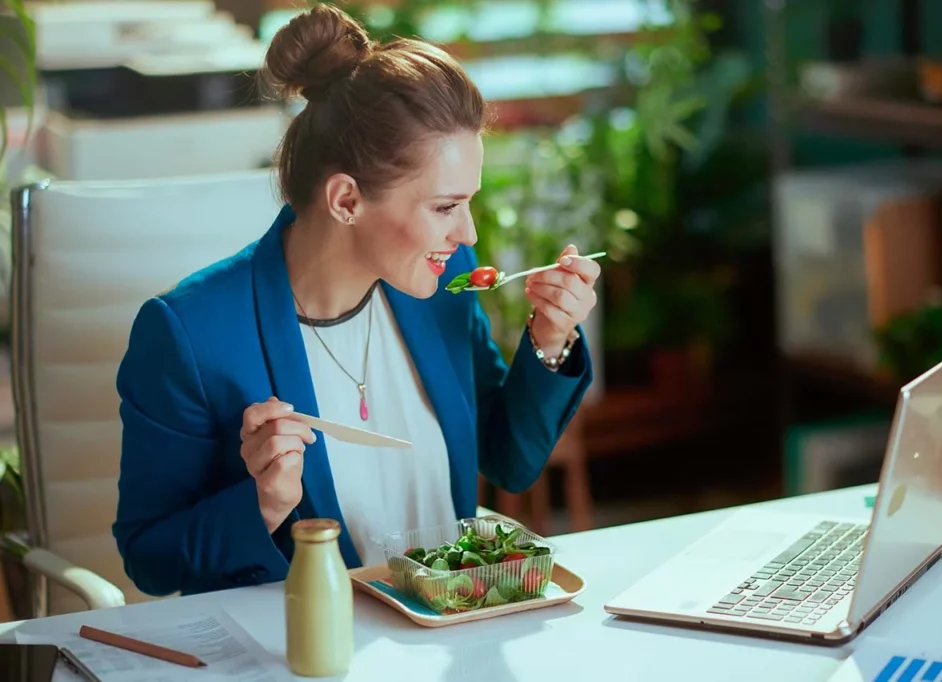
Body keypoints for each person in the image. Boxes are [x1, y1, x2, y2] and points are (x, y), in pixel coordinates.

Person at [112, 3, 600, 598]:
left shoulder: (441, 286)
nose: (468, 234)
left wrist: (550, 343)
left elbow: (508, 459)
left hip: (446, 635)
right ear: (346, 200)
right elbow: (150, 560)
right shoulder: (190, 334)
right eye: (445, 207)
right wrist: (263, 503)